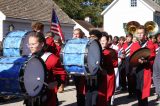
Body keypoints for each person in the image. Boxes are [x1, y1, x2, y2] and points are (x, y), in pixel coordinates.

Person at [25, 31, 64, 106]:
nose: (30, 46)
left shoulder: (52, 58)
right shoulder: (28, 58)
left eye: (33, 44)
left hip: (47, 98)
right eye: (29, 44)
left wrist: (56, 83)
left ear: (42, 44)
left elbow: (61, 75)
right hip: (31, 97)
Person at [130, 25, 156, 106]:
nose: (140, 35)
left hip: (145, 70)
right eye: (138, 33)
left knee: (144, 94)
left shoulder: (150, 44)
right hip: (136, 70)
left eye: (142, 33)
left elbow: (152, 58)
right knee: (138, 92)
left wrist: (145, 61)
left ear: (145, 34)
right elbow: (131, 58)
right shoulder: (134, 45)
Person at [97, 33, 117, 106]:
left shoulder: (112, 51)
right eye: (101, 40)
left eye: (104, 40)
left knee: (107, 96)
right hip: (99, 76)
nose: (102, 42)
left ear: (108, 41)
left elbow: (115, 64)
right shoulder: (97, 51)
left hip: (108, 75)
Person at [72, 28, 86, 106]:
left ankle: (82, 103)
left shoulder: (84, 43)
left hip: (82, 67)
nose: (75, 35)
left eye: (77, 34)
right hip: (74, 67)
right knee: (78, 87)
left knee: (82, 88)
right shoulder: (71, 43)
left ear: (80, 34)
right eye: (74, 34)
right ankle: (79, 103)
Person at [122, 33, 136, 98]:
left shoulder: (134, 44)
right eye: (127, 37)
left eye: (129, 37)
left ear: (132, 38)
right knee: (128, 78)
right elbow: (122, 54)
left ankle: (134, 92)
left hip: (133, 62)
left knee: (133, 78)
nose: (128, 38)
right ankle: (130, 93)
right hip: (126, 63)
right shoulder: (124, 45)